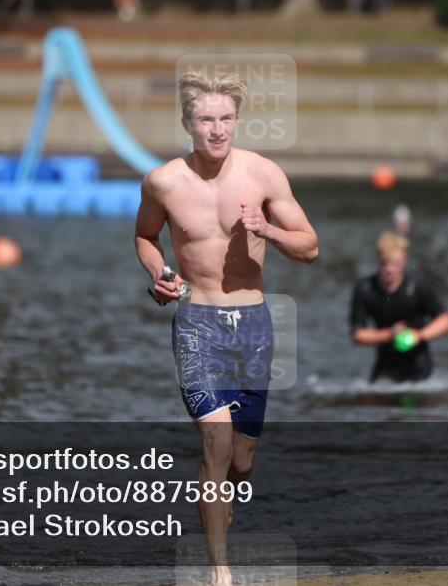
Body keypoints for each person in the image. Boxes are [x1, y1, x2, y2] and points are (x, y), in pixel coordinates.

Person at [134, 72, 318, 586]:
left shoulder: (263, 175)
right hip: (197, 321)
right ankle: (221, 571)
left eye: (226, 119)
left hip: (254, 326)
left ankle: (224, 505)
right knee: (215, 443)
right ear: (188, 124)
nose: (217, 129)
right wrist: (159, 274)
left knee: (242, 460)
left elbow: (310, 247)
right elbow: (145, 237)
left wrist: (268, 230)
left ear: (237, 122)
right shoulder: (163, 182)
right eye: (206, 119)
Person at [350, 231, 448, 383]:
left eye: (395, 263)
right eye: (385, 263)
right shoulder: (365, 289)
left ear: (404, 261)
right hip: (385, 363)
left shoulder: (417, 286)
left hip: (419, 364)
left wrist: (419, 335)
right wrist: (390, 334)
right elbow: (358, 335)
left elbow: (446, 320)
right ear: (378, 260)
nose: (389, 269)